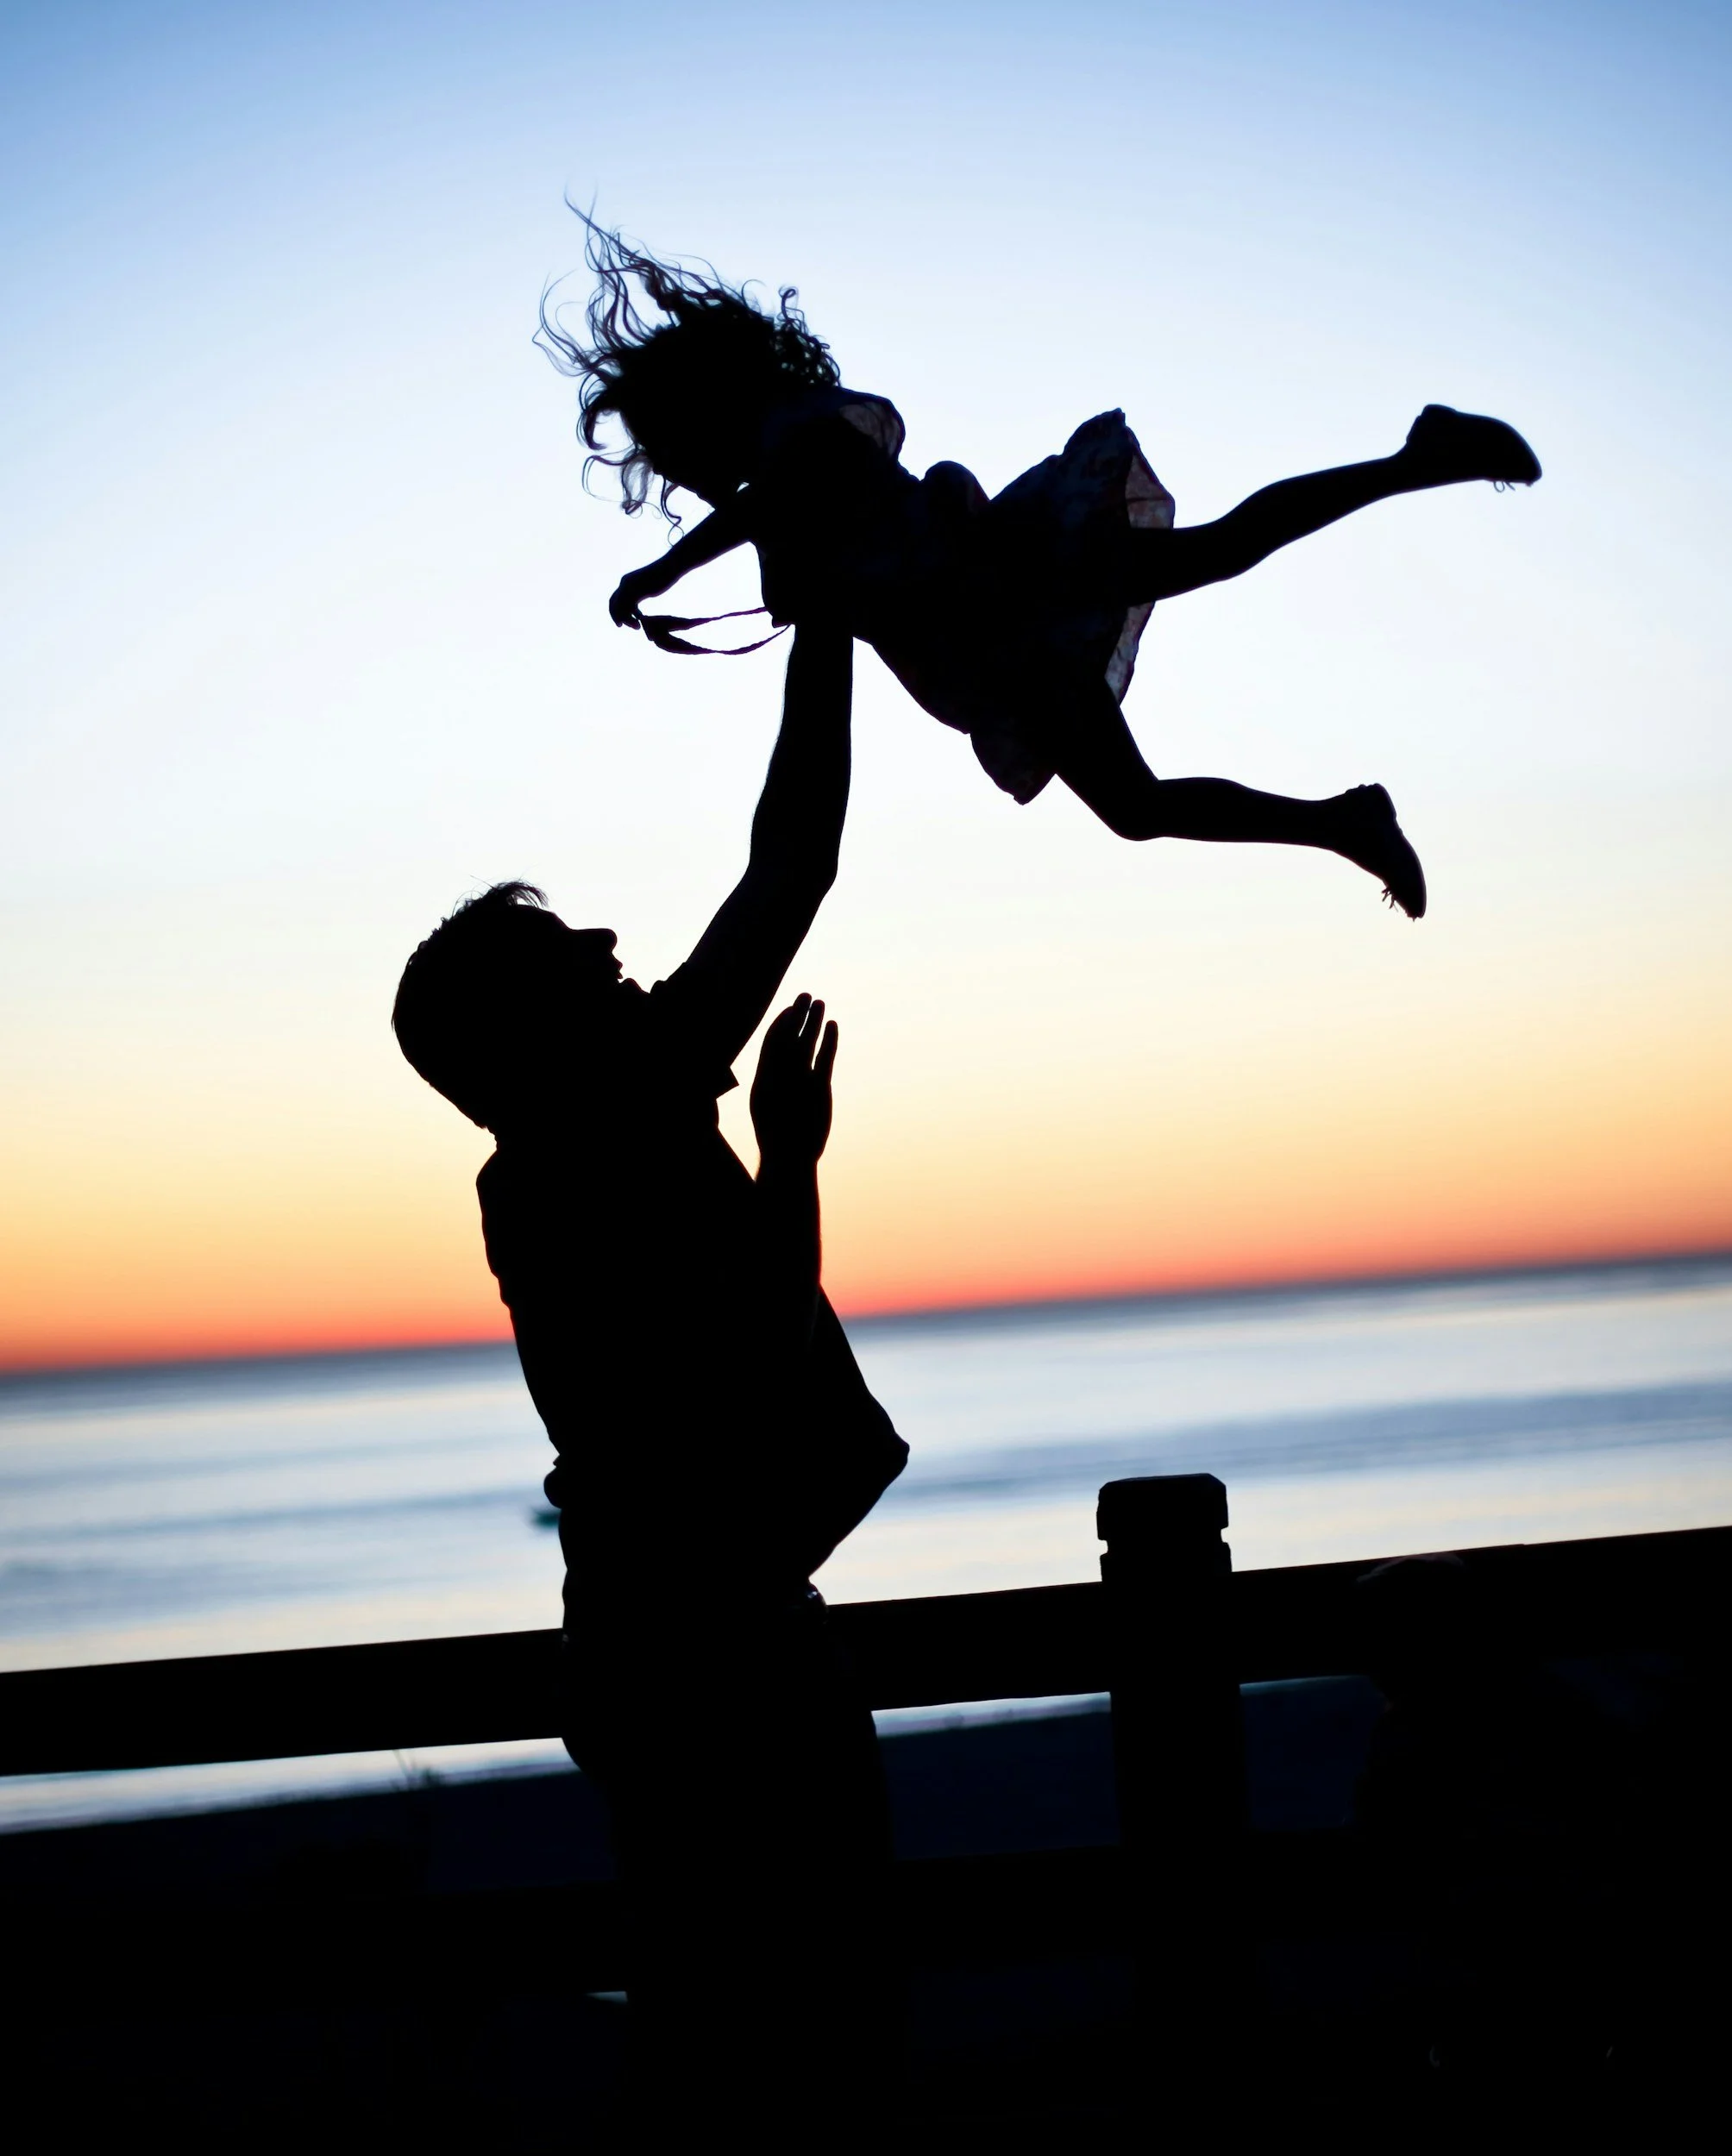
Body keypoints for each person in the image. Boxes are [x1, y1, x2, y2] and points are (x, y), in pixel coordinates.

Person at [391, 624, 906, 2129]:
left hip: (646, 1641)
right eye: (573, 957)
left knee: (723, 2012)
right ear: (534, 1034)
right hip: (717, 1648)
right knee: (814, 2024)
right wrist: (825, 609)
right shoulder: (607, 1117)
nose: (617, 950)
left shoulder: (536, 1173)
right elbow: (791, 860)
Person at [538, 216, 1546, 918]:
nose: (669, 468)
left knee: (1216, 572)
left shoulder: (789, 444)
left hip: (1011, 594)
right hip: (997, 640)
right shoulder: (782, 467)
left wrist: (664, 575)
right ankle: (1343, 820)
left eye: (664, 443)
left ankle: (1421, 459)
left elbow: (777, 512)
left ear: (696, 410)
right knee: (1141, 803)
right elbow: (796, 547)